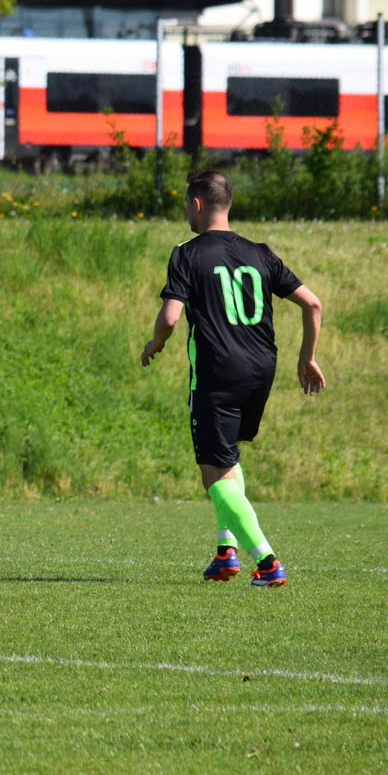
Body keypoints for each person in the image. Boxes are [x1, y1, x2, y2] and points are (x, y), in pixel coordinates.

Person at [140, 170, 325, 588]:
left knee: (214, 474)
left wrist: (155, 343)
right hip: (261, 370)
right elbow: (312, 304)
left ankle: (267, 561)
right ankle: (226, 552)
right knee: (228, 459)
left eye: (187, 205)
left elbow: (170, 317)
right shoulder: (260, 253)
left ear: (197, 204)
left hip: (217, 372)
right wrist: (307, 358)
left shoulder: (186, 254)